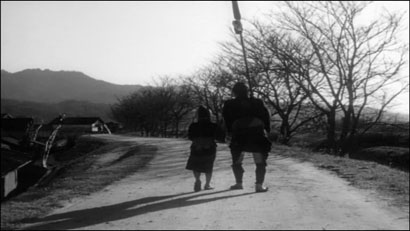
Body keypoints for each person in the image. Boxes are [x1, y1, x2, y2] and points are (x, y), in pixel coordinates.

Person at [222, 82, 271, 192]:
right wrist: (267, 131)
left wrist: (229, 132)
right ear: (247, 91)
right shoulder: (258, 102)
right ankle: (259, 186)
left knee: (237, 161)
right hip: (256, 135)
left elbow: (227, 119)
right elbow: (266, 118)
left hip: (239, 135)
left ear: (234, 92)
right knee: (260, 162)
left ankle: (239, 183)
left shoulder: (229, 104)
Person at [186, 105, 225, 192]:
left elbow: (190, 137)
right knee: (209, 166)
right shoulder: (213, 125)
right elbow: (220, 137)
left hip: (196, 147)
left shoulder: (193, 125)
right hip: (210, 147)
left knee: (196, 165)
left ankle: (197, 180)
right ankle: (207, 184)